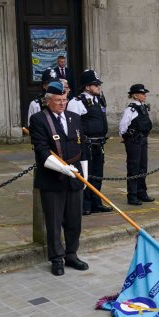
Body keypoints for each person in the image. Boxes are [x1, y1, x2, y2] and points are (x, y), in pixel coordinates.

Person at [28, 81, 88, 276]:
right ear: (48, 101)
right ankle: (56, 258)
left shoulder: (74, 117)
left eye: (64, 99)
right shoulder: (39, 119)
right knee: (54, 222)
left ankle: (71, 254)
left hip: (75, 176)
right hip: (52, 178)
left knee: (74, 220)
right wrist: (64, 169)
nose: (62, 103)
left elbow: (82, 146)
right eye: (58, 100)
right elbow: (42, 152)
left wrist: (84, 173)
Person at [67, 70, 112, 215]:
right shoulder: (76, 102)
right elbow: (72, 126)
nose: (99, 87)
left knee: (98, 174)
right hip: (86, 144)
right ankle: (85, 205)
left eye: (98, 84)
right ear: (87, 87)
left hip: (99, 143)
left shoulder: (99, 99)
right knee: (87, 174)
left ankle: (96, 202)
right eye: (95, 84)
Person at [118, 84, 154, 206]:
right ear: (135, 95)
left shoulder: (142, 107)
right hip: (134, 140)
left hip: (143, 139)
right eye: (142, 94)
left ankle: (141, 192)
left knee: (143, 167)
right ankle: (132, 195)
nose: (145, 96)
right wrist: (126, 138)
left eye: (144, 94)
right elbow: (123, 126)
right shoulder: (131, 109)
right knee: (134, 167)